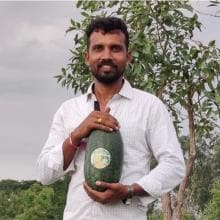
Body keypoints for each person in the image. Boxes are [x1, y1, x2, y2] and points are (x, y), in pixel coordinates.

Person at [37, 16, 186, 220]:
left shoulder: (150, 107)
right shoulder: (69, 110)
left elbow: (175, 165)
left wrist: (130, 190)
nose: (106, 55)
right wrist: (76, 135)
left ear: (128, 56)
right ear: (86, 56)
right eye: (98, 48)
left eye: (115, 48)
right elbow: (45, 174)